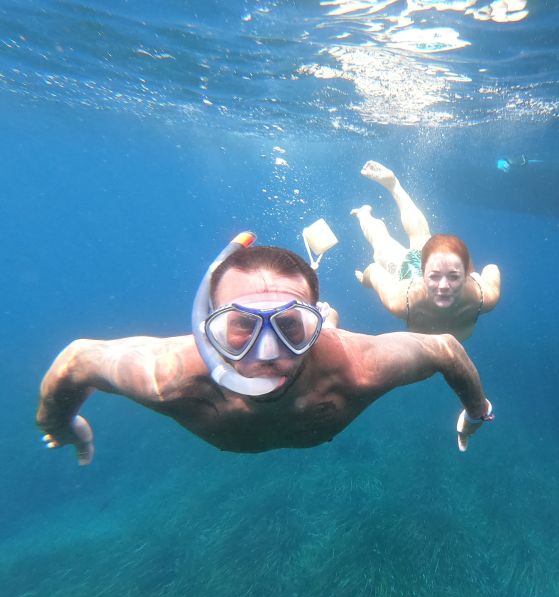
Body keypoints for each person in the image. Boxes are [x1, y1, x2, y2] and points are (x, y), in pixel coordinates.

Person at [36, 232, 495, 465]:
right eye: (240, 326)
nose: (268, 351)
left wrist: (477, 413)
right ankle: (316, 318)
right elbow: (77, 358)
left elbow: (446, 348)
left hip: (329, 343)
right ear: (207, 328)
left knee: (329, 332)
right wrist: (61, 421)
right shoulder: (171, 378)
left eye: (292, 325)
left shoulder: (357, 367)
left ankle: (323, 318)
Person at [352, 160, 501, 341]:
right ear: (424, 273)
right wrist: (366, 281)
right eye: (434, 277)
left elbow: (492, 269)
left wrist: (474, 277)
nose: (444, 287)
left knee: (421, 236)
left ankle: (394, 185)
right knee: (382, 246)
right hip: (408, 274)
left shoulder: (485, 296)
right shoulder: (401, 300)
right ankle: (364, 214)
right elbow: (374, 271)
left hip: (440, 268)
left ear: (466, 274)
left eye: (453, 277)